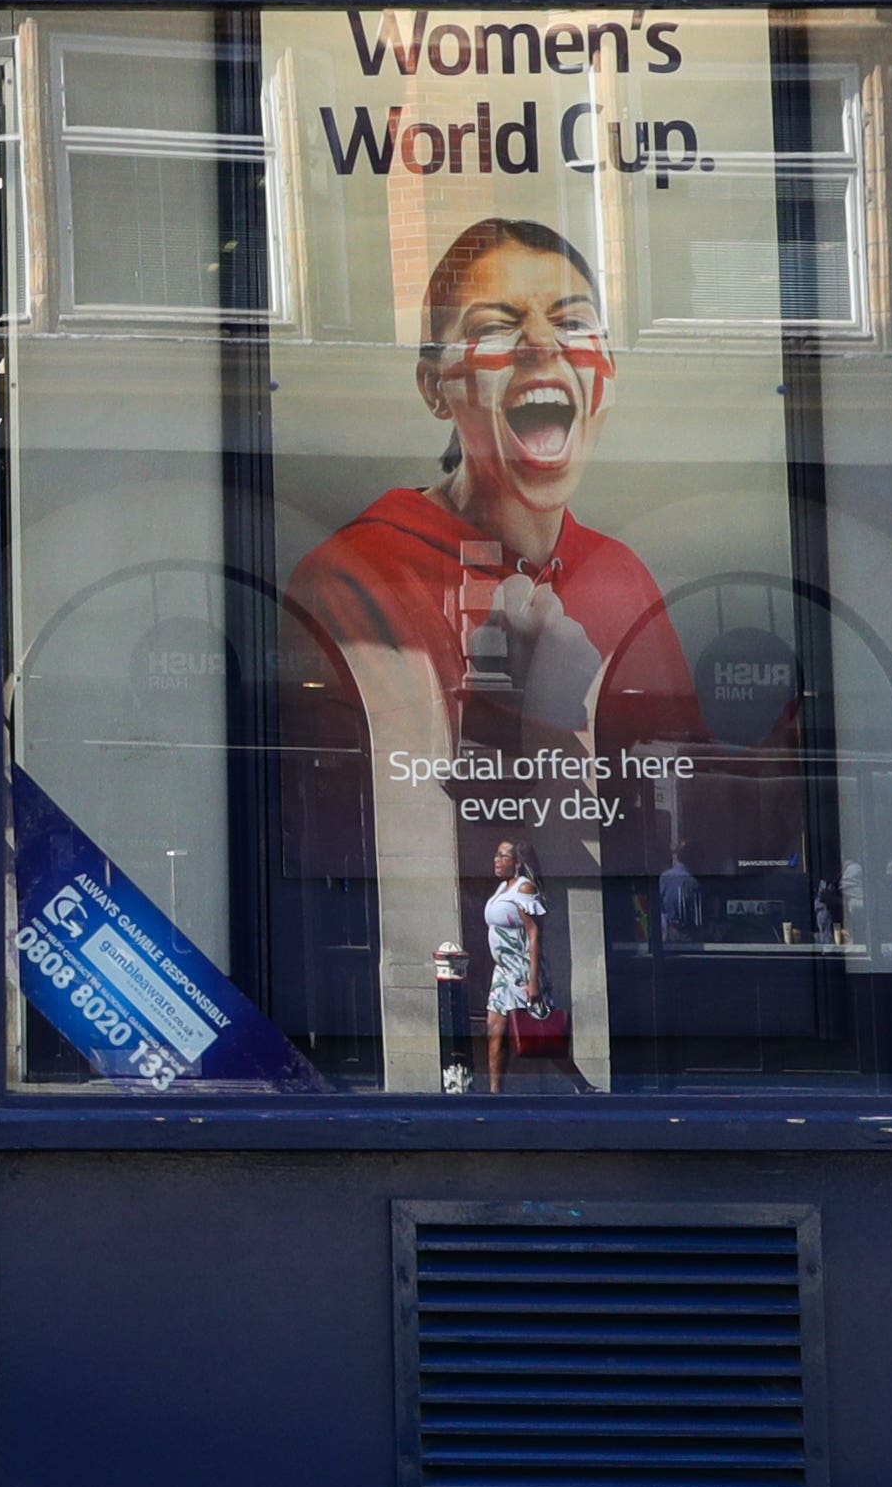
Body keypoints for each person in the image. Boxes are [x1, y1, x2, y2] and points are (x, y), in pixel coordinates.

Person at [283, 219, 696, 1071]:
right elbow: (352, 809)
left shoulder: (623, 579)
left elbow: (682, 799)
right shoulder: (353, 577)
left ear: (605, 375)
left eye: (574, 321)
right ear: (437, 388)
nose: (545, 346)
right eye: (498, 328)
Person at [478, 836, 573, 1091]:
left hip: (523, 970)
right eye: (496, 855)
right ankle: (495, 1092)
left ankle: (581, 1083)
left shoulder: (524, 889)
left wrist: (533, 983)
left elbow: (534, 933)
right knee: (494, 1032)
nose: (496, 861)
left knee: (540, 1033)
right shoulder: (503, 888)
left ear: (517, 863)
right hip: (503, 971)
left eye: (503, 856)